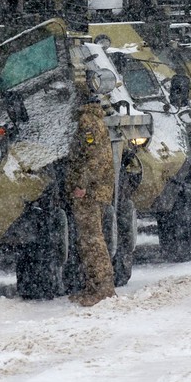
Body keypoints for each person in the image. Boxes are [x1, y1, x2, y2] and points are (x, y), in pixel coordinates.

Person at [65, 100, 116, 306]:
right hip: (94, 189)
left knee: (92, 240)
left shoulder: (87, 121)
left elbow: (94, 157)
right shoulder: (94, 119)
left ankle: (102, 289)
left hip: (90, 192)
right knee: (89, 240)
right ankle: (93, 287)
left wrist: (82, 184)